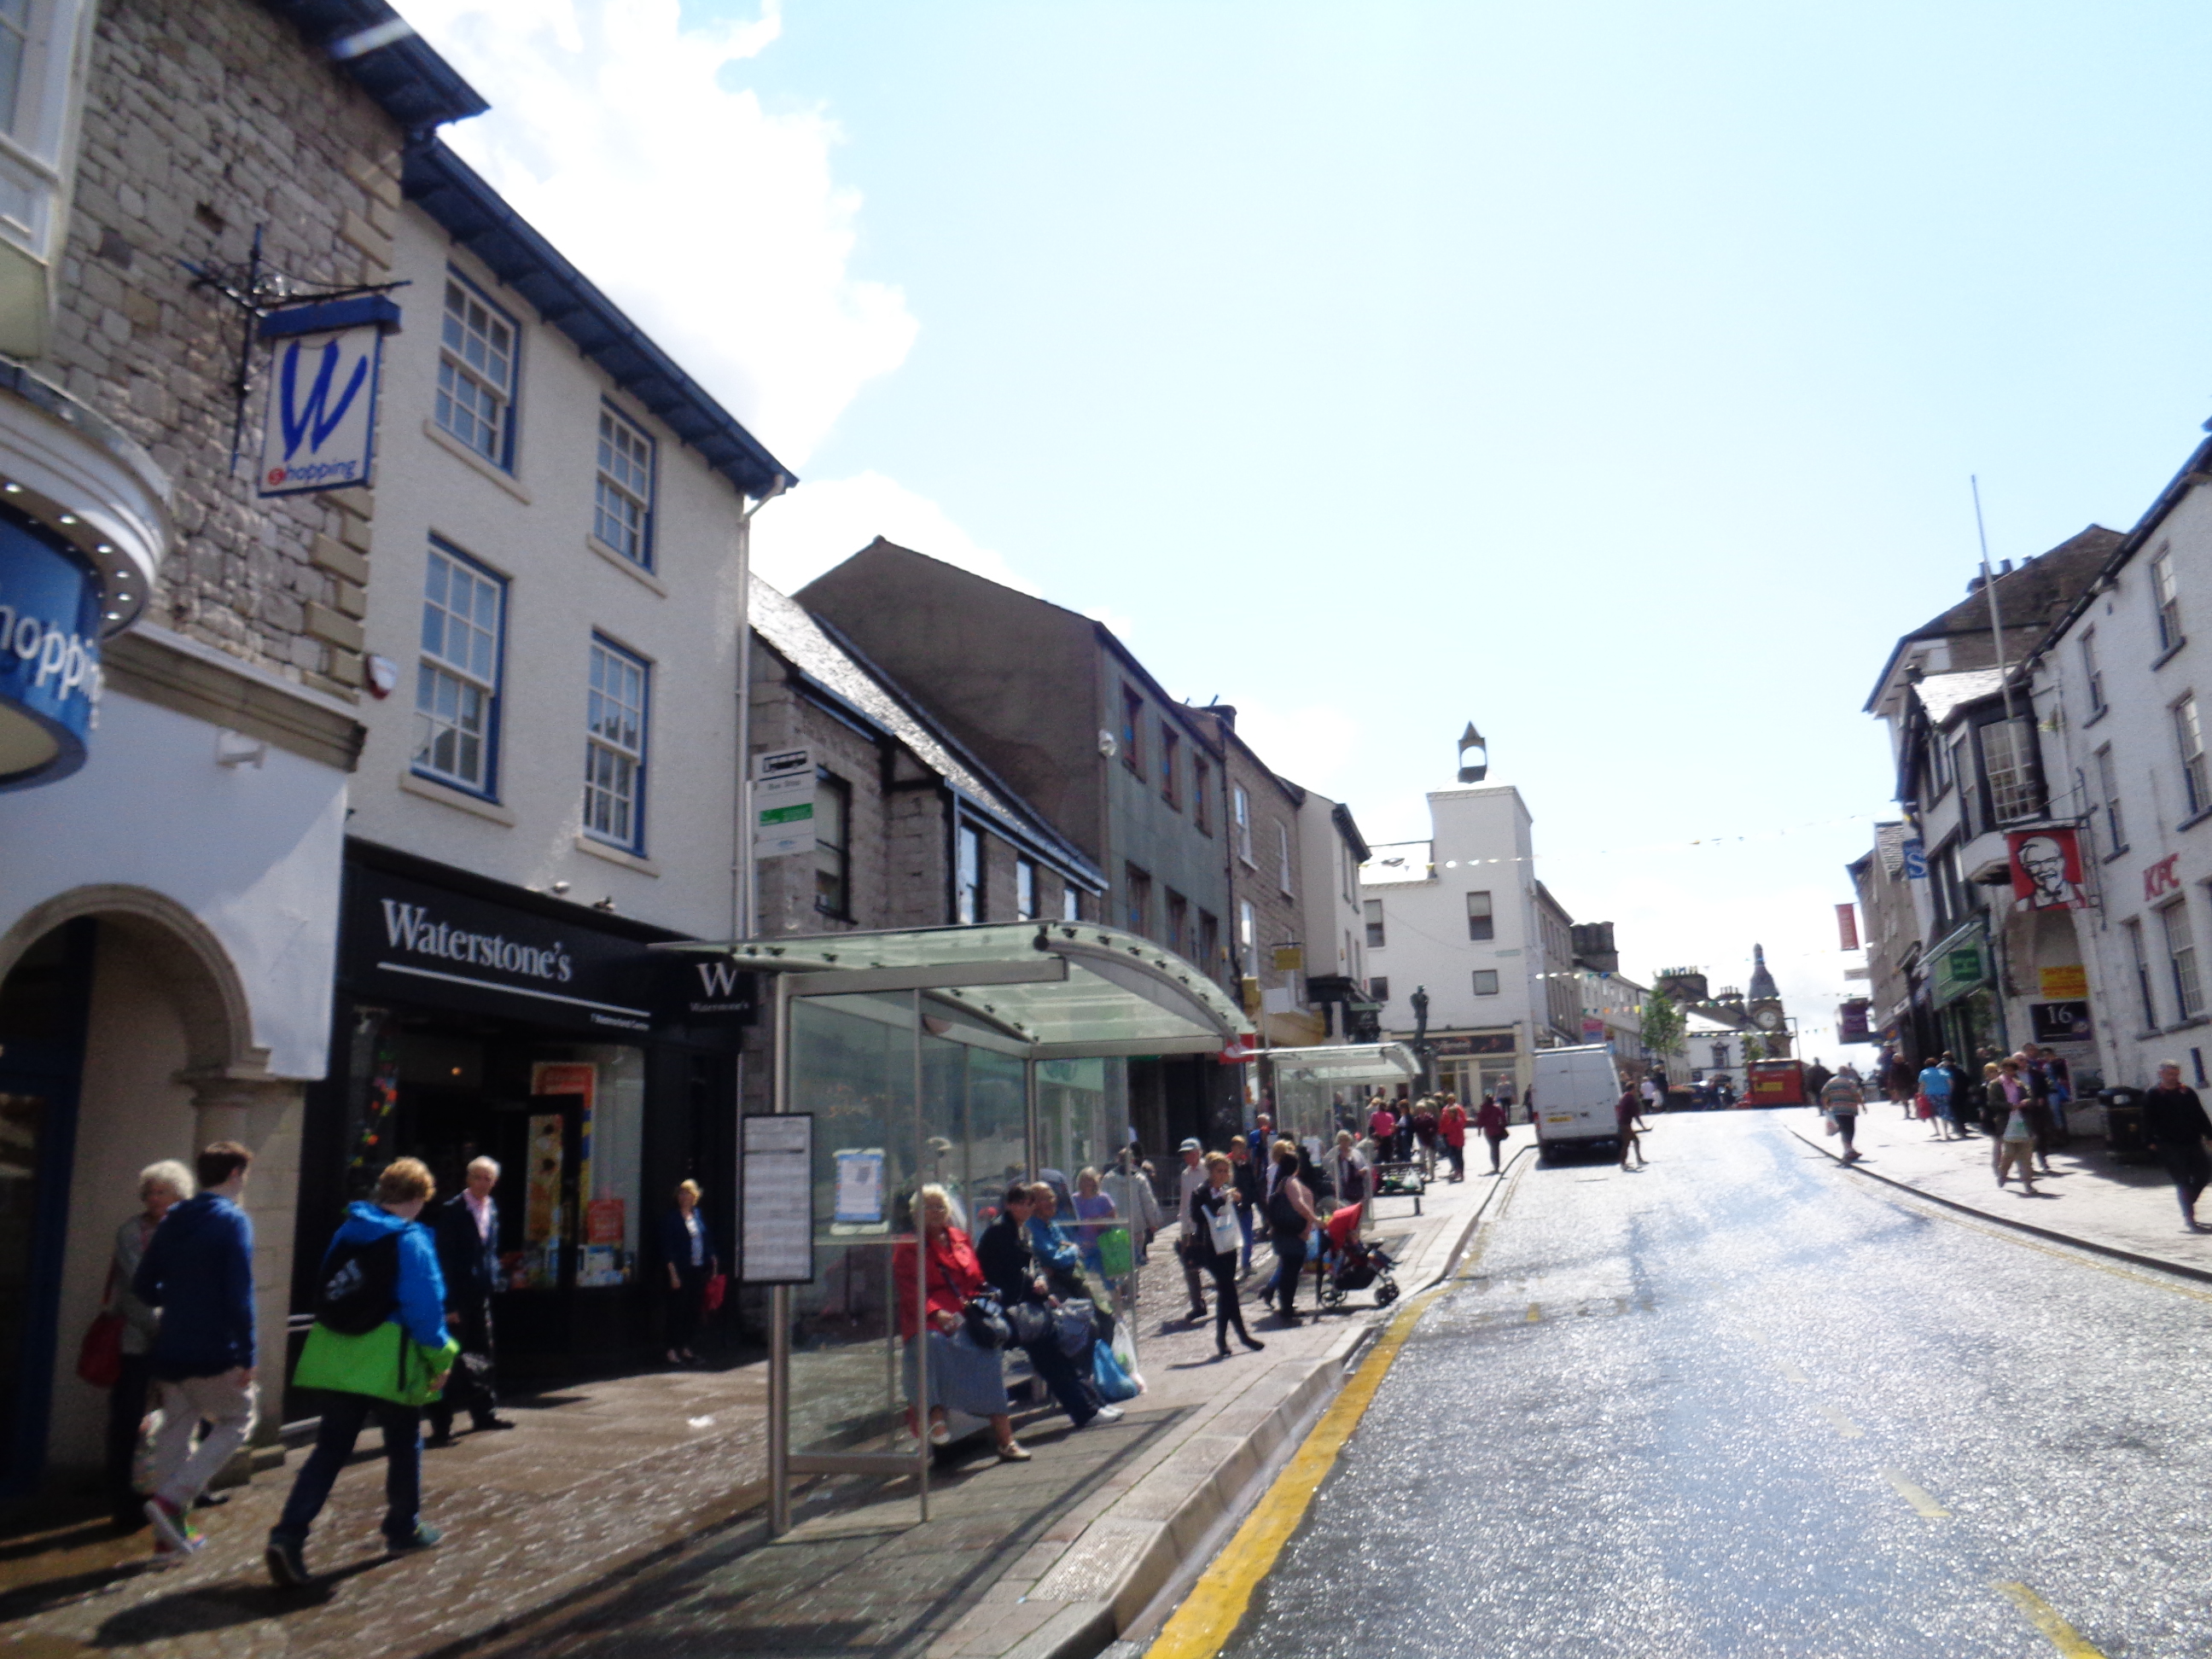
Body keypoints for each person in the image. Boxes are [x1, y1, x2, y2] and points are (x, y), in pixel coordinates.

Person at [265, 1158, 459, 1585]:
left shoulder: (348, 1231)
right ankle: (403, 1529)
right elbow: (424, 1310)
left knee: (330, 1449)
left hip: (337, 1353)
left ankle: (288, 1534)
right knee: (404, 1443)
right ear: (417, 1197)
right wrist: (442, 1358)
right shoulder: (410, 1239)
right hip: (390, 1360)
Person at [132, 1141, 258, 1565]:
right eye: (244, 1174)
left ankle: (167, 1542)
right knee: (239, 1419)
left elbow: (144, 1285)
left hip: (172, 1346)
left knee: (174, 1433)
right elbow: (240, 1294)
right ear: (235, 1174)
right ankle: (173, 1499)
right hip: (214, 1347)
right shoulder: (232, 1220)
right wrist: (248, 1352)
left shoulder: (173, 1219)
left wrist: (178, 1299)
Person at [894, 1185, 1023, 1460]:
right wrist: (935, 1313)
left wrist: (986, 1301)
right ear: (916, 1213)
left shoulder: (959, 1238)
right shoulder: (907, 1247)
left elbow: (976, 1280)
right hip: (927, 1318)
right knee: (931, 1344)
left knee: (988, 1354)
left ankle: (1005, 1438)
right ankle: (935, 1415)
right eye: (928, 1207)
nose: (935, 1212)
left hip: (965, 1315)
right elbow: (910, 1291)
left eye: (940, 1206)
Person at [977, 1185, 1117, 1429]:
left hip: (1025, 1308)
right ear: (1010, 1205)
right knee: (1053, 1358)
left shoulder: (1020, 1229)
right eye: (1020, 1203)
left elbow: (1033, 1264)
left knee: (1056, 1358)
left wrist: (1041, 1280)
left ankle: (1092, 1406)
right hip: (1013, 1311)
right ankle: (1088, 1410)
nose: (1026, 1208)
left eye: (1029, 1204)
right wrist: (1036, 1285)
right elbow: (1009, 1274)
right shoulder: (1001, 1231)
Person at [103, 1160, 194, 1531]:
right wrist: (163, 1328)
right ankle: (123, 1501)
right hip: (139, 1337)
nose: (155, 1199)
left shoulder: (187, 1229)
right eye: (151, 1192)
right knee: (129, 1418)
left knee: (183, 1415)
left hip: (179, 1337)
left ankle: (181, 1490)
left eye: (163, 1192)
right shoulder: (132, 1232)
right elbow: (138, 1285)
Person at [426, 1156, 513, 1446]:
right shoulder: (453, 1210)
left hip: (480, 1294)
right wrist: (448, 1304)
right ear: (468, 1178)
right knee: (449, 1359)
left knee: (483, 1356)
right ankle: (441, 1426)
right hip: (458, 1296)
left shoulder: (492, 1209)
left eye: (488, 1178)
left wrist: (496, 1278)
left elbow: (489, 1251)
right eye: (477, 1176)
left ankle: (484, 1413)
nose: (483, 1183)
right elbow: (444, 1259)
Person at [1188, 1154, 1266, 1357]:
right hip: (1211, 1248)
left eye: (1225, 1171)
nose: (1223, 1175)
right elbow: (1197, 1216)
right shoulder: (1201, 1192)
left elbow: (1232, 1214)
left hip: (1229, 1244)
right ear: (1211, 1172)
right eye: (1219, 1171)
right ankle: (1243, 1336)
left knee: (1226, 1293)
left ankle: (1222, 1340)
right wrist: (1219, 1202)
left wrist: (1237, 1202)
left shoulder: (1226, 1189)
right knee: (1228, 1290)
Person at [2144, 1061, 2212, 1231]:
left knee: (2203, 1175)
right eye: (2170, 1074)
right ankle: (2190, 1218)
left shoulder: (2187, 1092)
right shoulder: (2154, 1094)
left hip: (2192, 1141)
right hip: (2168, 1144)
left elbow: (2200, 1114)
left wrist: (2209, 1135)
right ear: (2161, 1074)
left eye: (2176, 1074)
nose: (2173, 1078)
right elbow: (2147, 1119)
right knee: (2182, 1180)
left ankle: (2188, 1203)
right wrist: (2149, 1141)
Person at [659, 1179, 718, 1365]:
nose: (683, 1197)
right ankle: (671, 1349)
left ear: (694, 1197)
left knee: (692, 1310)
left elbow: (705, 1239)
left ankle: (685, 1347)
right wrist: (673, 1274)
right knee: (676, 1310)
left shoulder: (697, 1214)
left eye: (687, 1193)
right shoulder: (672, 1218)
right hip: (680, 1270)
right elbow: (667, 1248)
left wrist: (713, 1260)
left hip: (697, 1269)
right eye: (681, 1193)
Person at [1264, 1144, 1317, 1326]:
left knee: (1288, 1269)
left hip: (1283, 1233)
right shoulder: (1291, 1182)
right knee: (1291, 1271)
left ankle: (1286, 1304)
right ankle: (1287, 1307)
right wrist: (1314, 1219)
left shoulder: (1281, 1181)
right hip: (1292, 1233)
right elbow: (1299, 1204)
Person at [1172, 1138, 1211, 1322]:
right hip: (1190, 1226)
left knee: (1214, 1263)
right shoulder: (1185, 1174)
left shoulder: (1208, 1170)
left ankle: (1227, 1297)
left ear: (1198, 1152)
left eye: (1190, 1152)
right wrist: (1184, 1225)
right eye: (1184, 1153)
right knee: (1190, 1266)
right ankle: (1197, 1305)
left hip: (1208, 1225)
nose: (1187, 1156)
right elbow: (1184, 1201)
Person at [1992, 1086, 2040, 1195]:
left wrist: (2026, 1102)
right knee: (2009, 1155)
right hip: (2007, 1128)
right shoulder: (1996, 1086)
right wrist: (2009, 1106)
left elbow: (2032, 1099)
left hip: (2025, 1128)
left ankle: (2027, 1184)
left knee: (2025, 1158)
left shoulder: (2020, 1086)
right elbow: (1993, 1103)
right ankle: (2002, 1174)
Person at [1071, 1167, 1117, 1278]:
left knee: (1104, 1277)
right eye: (1084, 1180)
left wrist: (1101, 1221)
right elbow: (1069, 1220)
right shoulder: (1074, 1199)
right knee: (1083, 1276)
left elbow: (1114, 1219)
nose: (1087, 1183)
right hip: (1080, 1244)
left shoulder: (1103, 1198)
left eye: (1089, 1180)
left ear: (1095, 1182)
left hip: (1101, 1243)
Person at [1228, 1137, 1262, 1276]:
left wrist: (1252, 1198)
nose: (1241, 1150)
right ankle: (1230, 1268)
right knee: (1231, 1240)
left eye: (1243, 1147)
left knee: (1248, 1237)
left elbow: (1252, 1184)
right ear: (1233, 1148)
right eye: (1238, 1147)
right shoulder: (1227, 1164)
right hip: (1232, 1207)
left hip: (1246, 1206)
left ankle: (1246, 1265)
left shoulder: (1246, 1165)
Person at [1819, 1068, 1865, 1164]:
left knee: (1843, 1129)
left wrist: (1826, 1107)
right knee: (1850, 1129)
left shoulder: (1831, 1082)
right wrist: (1863, 1105)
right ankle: (1848, 1150)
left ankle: (1849, 1150)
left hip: (1836, 1110)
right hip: (1849, 1109)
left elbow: (1824, 1094)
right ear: (1846, 1072)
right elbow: (1856, 1094)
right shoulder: (1849, 1082)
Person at [1917, 1055, 1954, 1140]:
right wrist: (1950, 1092)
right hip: (1944, 1094)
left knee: (1931, 1112)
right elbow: (1951, 1083)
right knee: (1944, 1113)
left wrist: (1920, 1094)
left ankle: (1937, 1130)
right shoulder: (1944, 1072)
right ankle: (1946, 1133)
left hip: (1930, 1095)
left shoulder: (1924, 1073)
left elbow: (1922, 1085)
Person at [1471, 1094, 1506, 1175]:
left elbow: (1480, 1120)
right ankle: (1497, 1166)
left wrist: (1479, 1130)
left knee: (1492, 1148)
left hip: (1488, 1131)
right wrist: (1503, 1126)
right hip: (1497, 1130)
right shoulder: (1496, 1108)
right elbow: (1503, 1117)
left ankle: (1495, 1165)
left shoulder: (1483, 1109)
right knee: (1496, 1148)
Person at [1615, 1086, 1648, 1170]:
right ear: (1633, 1089)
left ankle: (1638, 1159)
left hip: (1623, 1123)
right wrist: (1642, 1125)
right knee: (1626, 1144)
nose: (1636, 1092)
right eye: (1635, 1089)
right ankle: (1623, 1164)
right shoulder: (1630, 1098)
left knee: (1635, 1140)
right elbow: (1635, 1114)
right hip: (1625, 1124)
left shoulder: (1624, 1097)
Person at [1438, 1095, 1469, 1182]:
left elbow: (1463, 1121)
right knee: (1451, 1155)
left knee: (1459, 1157)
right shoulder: (1445, 1110)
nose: (1450, 1101)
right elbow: (1442, 1122)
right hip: (1449, 1137)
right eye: (1448, 1100)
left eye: (1451, 1100)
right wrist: (1441, 1131)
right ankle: (1456, 1169)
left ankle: (1460, 1172)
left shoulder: (1458, 1109)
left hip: (1457, 1140)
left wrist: (1459, 1143)